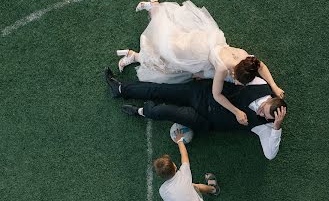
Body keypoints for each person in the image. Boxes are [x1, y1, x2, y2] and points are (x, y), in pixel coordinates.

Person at [116, 0, 284, 126]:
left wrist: (274, 86)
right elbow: (216, 95)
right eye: (240, 82)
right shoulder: (222, 69)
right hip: (193, 53)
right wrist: (236, 111)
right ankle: (151, 18)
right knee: (167, 58)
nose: (240, 85)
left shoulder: (246, 58)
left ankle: (141, 44)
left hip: (207, 42)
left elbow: (260, 66)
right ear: (234, 73)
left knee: (172, 45)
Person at [105, 68, 287, 161]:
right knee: (160, 90)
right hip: (201, 92)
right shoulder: (260, 84)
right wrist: (206, 74)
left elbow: (270, 154)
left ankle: (142, 111)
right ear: (270, 98)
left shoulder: (266, 126)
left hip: (203, 119)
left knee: (163, 111)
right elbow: (232, 74)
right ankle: (120, 89)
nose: (260, 113)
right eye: (264, 108)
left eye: (266, 117)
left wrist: (276, 127)